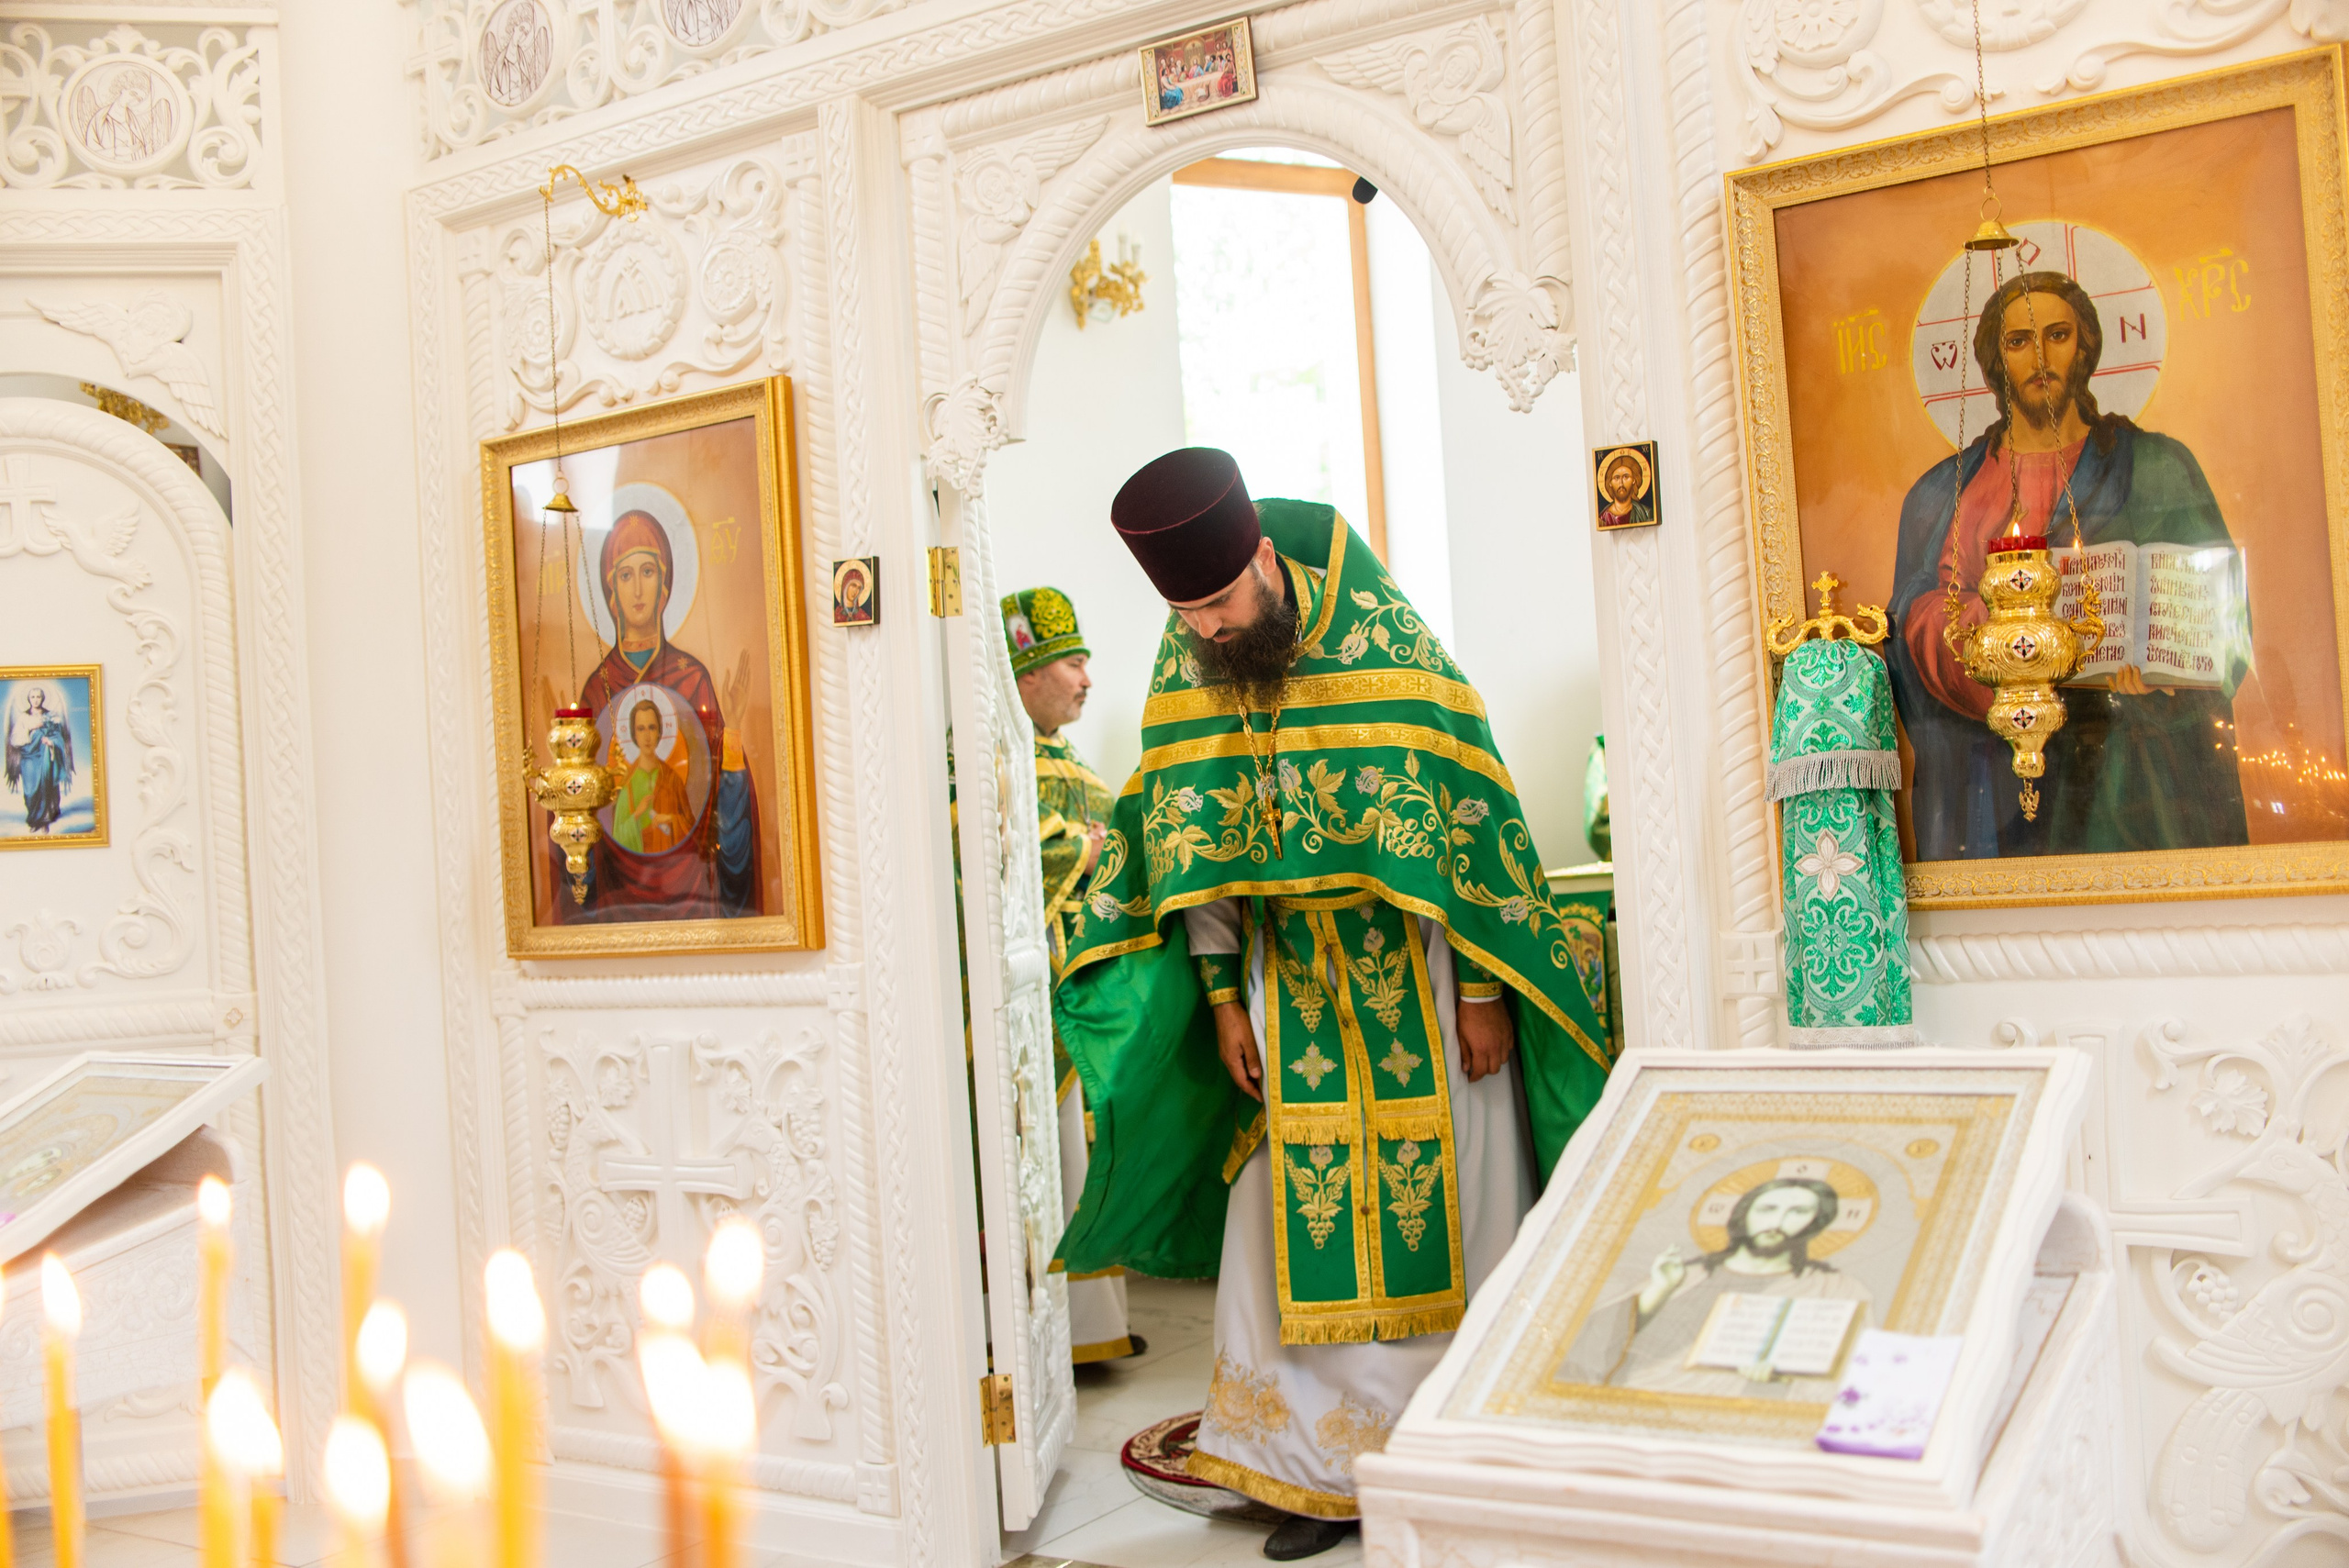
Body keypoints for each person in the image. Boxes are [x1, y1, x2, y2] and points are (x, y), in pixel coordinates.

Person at [1052, 449, 1614, 1561]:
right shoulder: (1191, 664)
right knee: (1275, 1233)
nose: (1208, 630)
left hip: (1425, 984)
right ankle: (1309, 1472)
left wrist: (1488, 991)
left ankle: (1451, 1458)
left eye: (1219, 603)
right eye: (1186, 612)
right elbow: (1188, 851)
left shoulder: (1386, 645)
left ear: (1262, 559)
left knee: (1459, 1215)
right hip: (1288, 989)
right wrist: (1220, 1003)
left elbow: (1469, 830)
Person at [1887, 270, 2250, 860]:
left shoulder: (2156, 467)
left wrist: (2159, 676)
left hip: (2119, 777)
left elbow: (2218, 615)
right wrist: (1989, 630)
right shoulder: (1940, 493)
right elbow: (1907, 623)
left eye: (2057, 335)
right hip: (1987, 776)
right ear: (1994, 361)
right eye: (2017, 342)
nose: (2039, 357)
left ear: (2084, 346)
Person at [1003, 585, 1147, 1366]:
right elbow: (988, 840)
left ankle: (1089, 1327)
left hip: (1081, 987)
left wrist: (1099, 845)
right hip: (1031, 997)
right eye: (1072, 661)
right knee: (1049, 1155)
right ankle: (1046, 1336)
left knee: (1081, 1157)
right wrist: (1086, 848)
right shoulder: (987, 751)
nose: (1088, 678)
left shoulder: (1063, 758)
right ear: (1026, 672)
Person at [553, 508, 760, 922]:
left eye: (648, 571)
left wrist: (731, 731)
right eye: (625, 576)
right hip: (619, 899)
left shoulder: (693, 679)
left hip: (693, 892)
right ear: (611, 590)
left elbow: (723, 812)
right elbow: (585, 815)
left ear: (664, 584)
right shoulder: (598, 689)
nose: (637, 590)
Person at [1556, 1176, 1872, 1399]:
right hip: (1642, 1403)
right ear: (1743, 1214)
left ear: (1818, 1222)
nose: (1778, 1221)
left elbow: (1857, 1374)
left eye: (1799, 1212)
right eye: (1767, 1209)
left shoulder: (1834, 1288)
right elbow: (1584, 1350)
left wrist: (1779, 1380)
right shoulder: (1683, 1273)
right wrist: (1657, 1293)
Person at [608, 697, 695, 854]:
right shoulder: (627, 783)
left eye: (652, 728)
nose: (647, 736)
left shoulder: (672, 778)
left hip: (669, 865)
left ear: (659, 732)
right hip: (638, 869)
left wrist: (670, 818)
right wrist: (637, 815)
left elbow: (691, 828)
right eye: (641, 729)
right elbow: (618, 837)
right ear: (634, 734)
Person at [4, 685, 74, 835]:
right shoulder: (23, 717)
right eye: (32, 697)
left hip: (45, 757)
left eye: (38, 697)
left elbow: (59, 738)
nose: (35, 700)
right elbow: (14, 739)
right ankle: (34, 819)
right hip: (28, 758)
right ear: (28, 699)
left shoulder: (51, 716)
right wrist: (31, 728)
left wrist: (51, 742)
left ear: (43, 698)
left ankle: (45, 821)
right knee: (30, 791)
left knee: (45, 786)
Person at [1597, 453, 1652, 527]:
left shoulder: (1646, 513)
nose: (1621, 483)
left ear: (1634, 480)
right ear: (1610, 483)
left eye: (1626, 477)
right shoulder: (1602, 518)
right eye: (1617, 477)